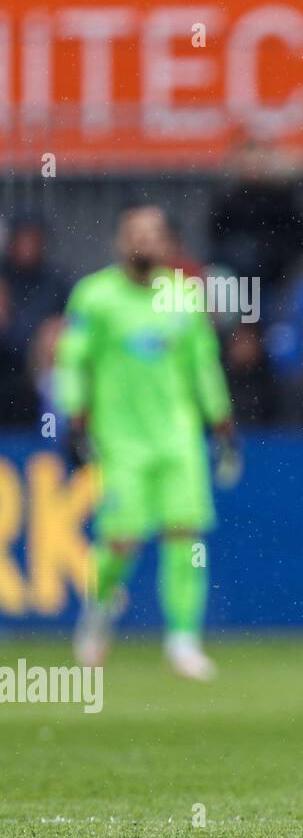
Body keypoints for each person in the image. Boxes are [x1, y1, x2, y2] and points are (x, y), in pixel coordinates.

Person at [54, 204, 241, 680]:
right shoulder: (94, 297)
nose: (144, 241)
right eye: (136, 232)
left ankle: (183, 639)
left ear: (166, 242)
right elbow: (74, 361)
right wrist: (73, 417)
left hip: (178, 438)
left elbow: (203, 366)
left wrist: (220, 420)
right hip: (120, 440)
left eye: (154, 233)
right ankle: (98, 611)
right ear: (120, 240)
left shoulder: (183, 297)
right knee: (121, 539)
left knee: (185, 534)